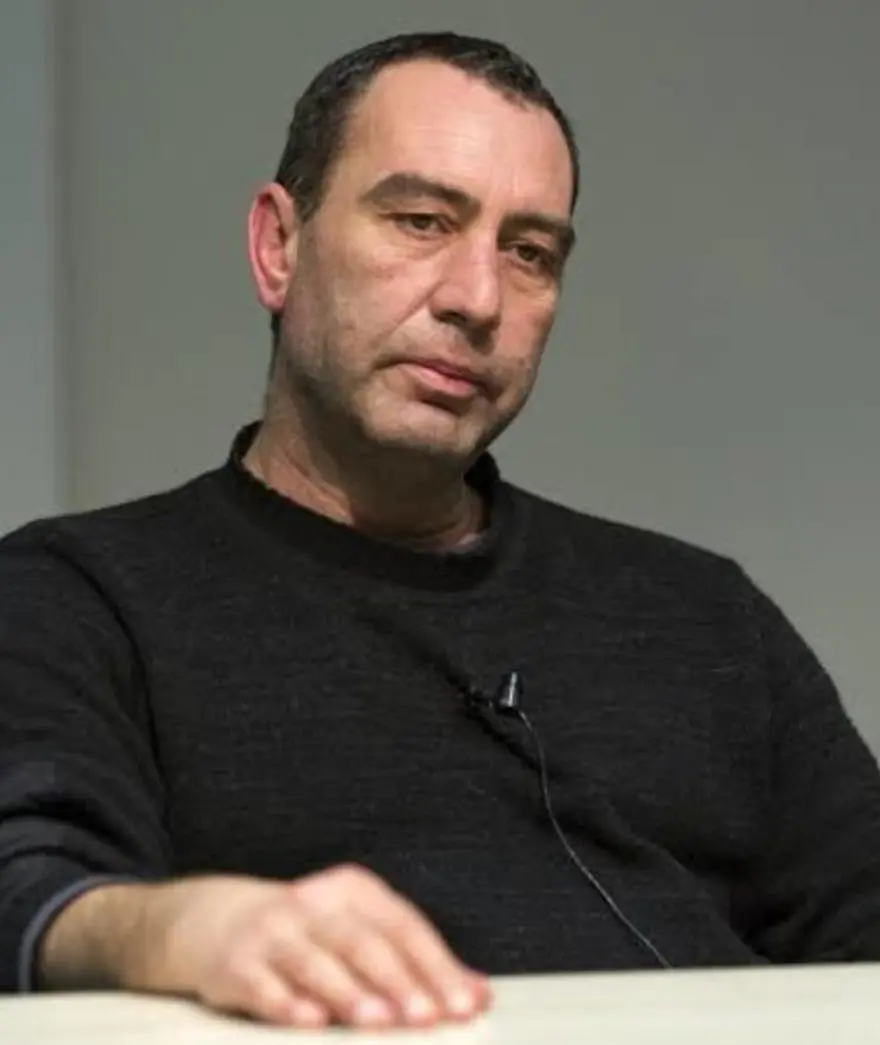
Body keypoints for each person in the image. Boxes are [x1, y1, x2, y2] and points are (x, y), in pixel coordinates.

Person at [2, 29, 880, 1033]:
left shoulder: (703, 615)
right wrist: (177, 930)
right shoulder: (80, 594)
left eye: (529, 253)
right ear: (278, 247)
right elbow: (31, 884)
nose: (477, 299)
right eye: (420, 221)